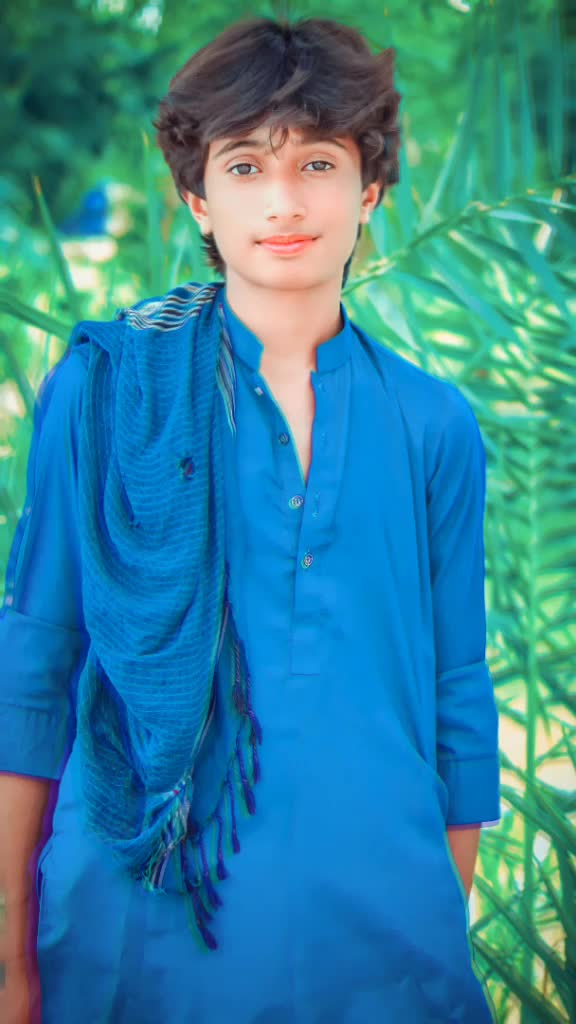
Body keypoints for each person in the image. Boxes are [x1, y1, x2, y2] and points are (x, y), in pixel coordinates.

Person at [0, 14, 501, 1023]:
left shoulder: (432, 425)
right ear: (197, 196)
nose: (283, 202)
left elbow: (458, 696)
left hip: (382, 938)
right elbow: (36, 662)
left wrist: (434, 918)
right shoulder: (108, 393)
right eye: (244, 166)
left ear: (371, 189)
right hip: (136, 925)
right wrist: (10, 957)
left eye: (317, 163)